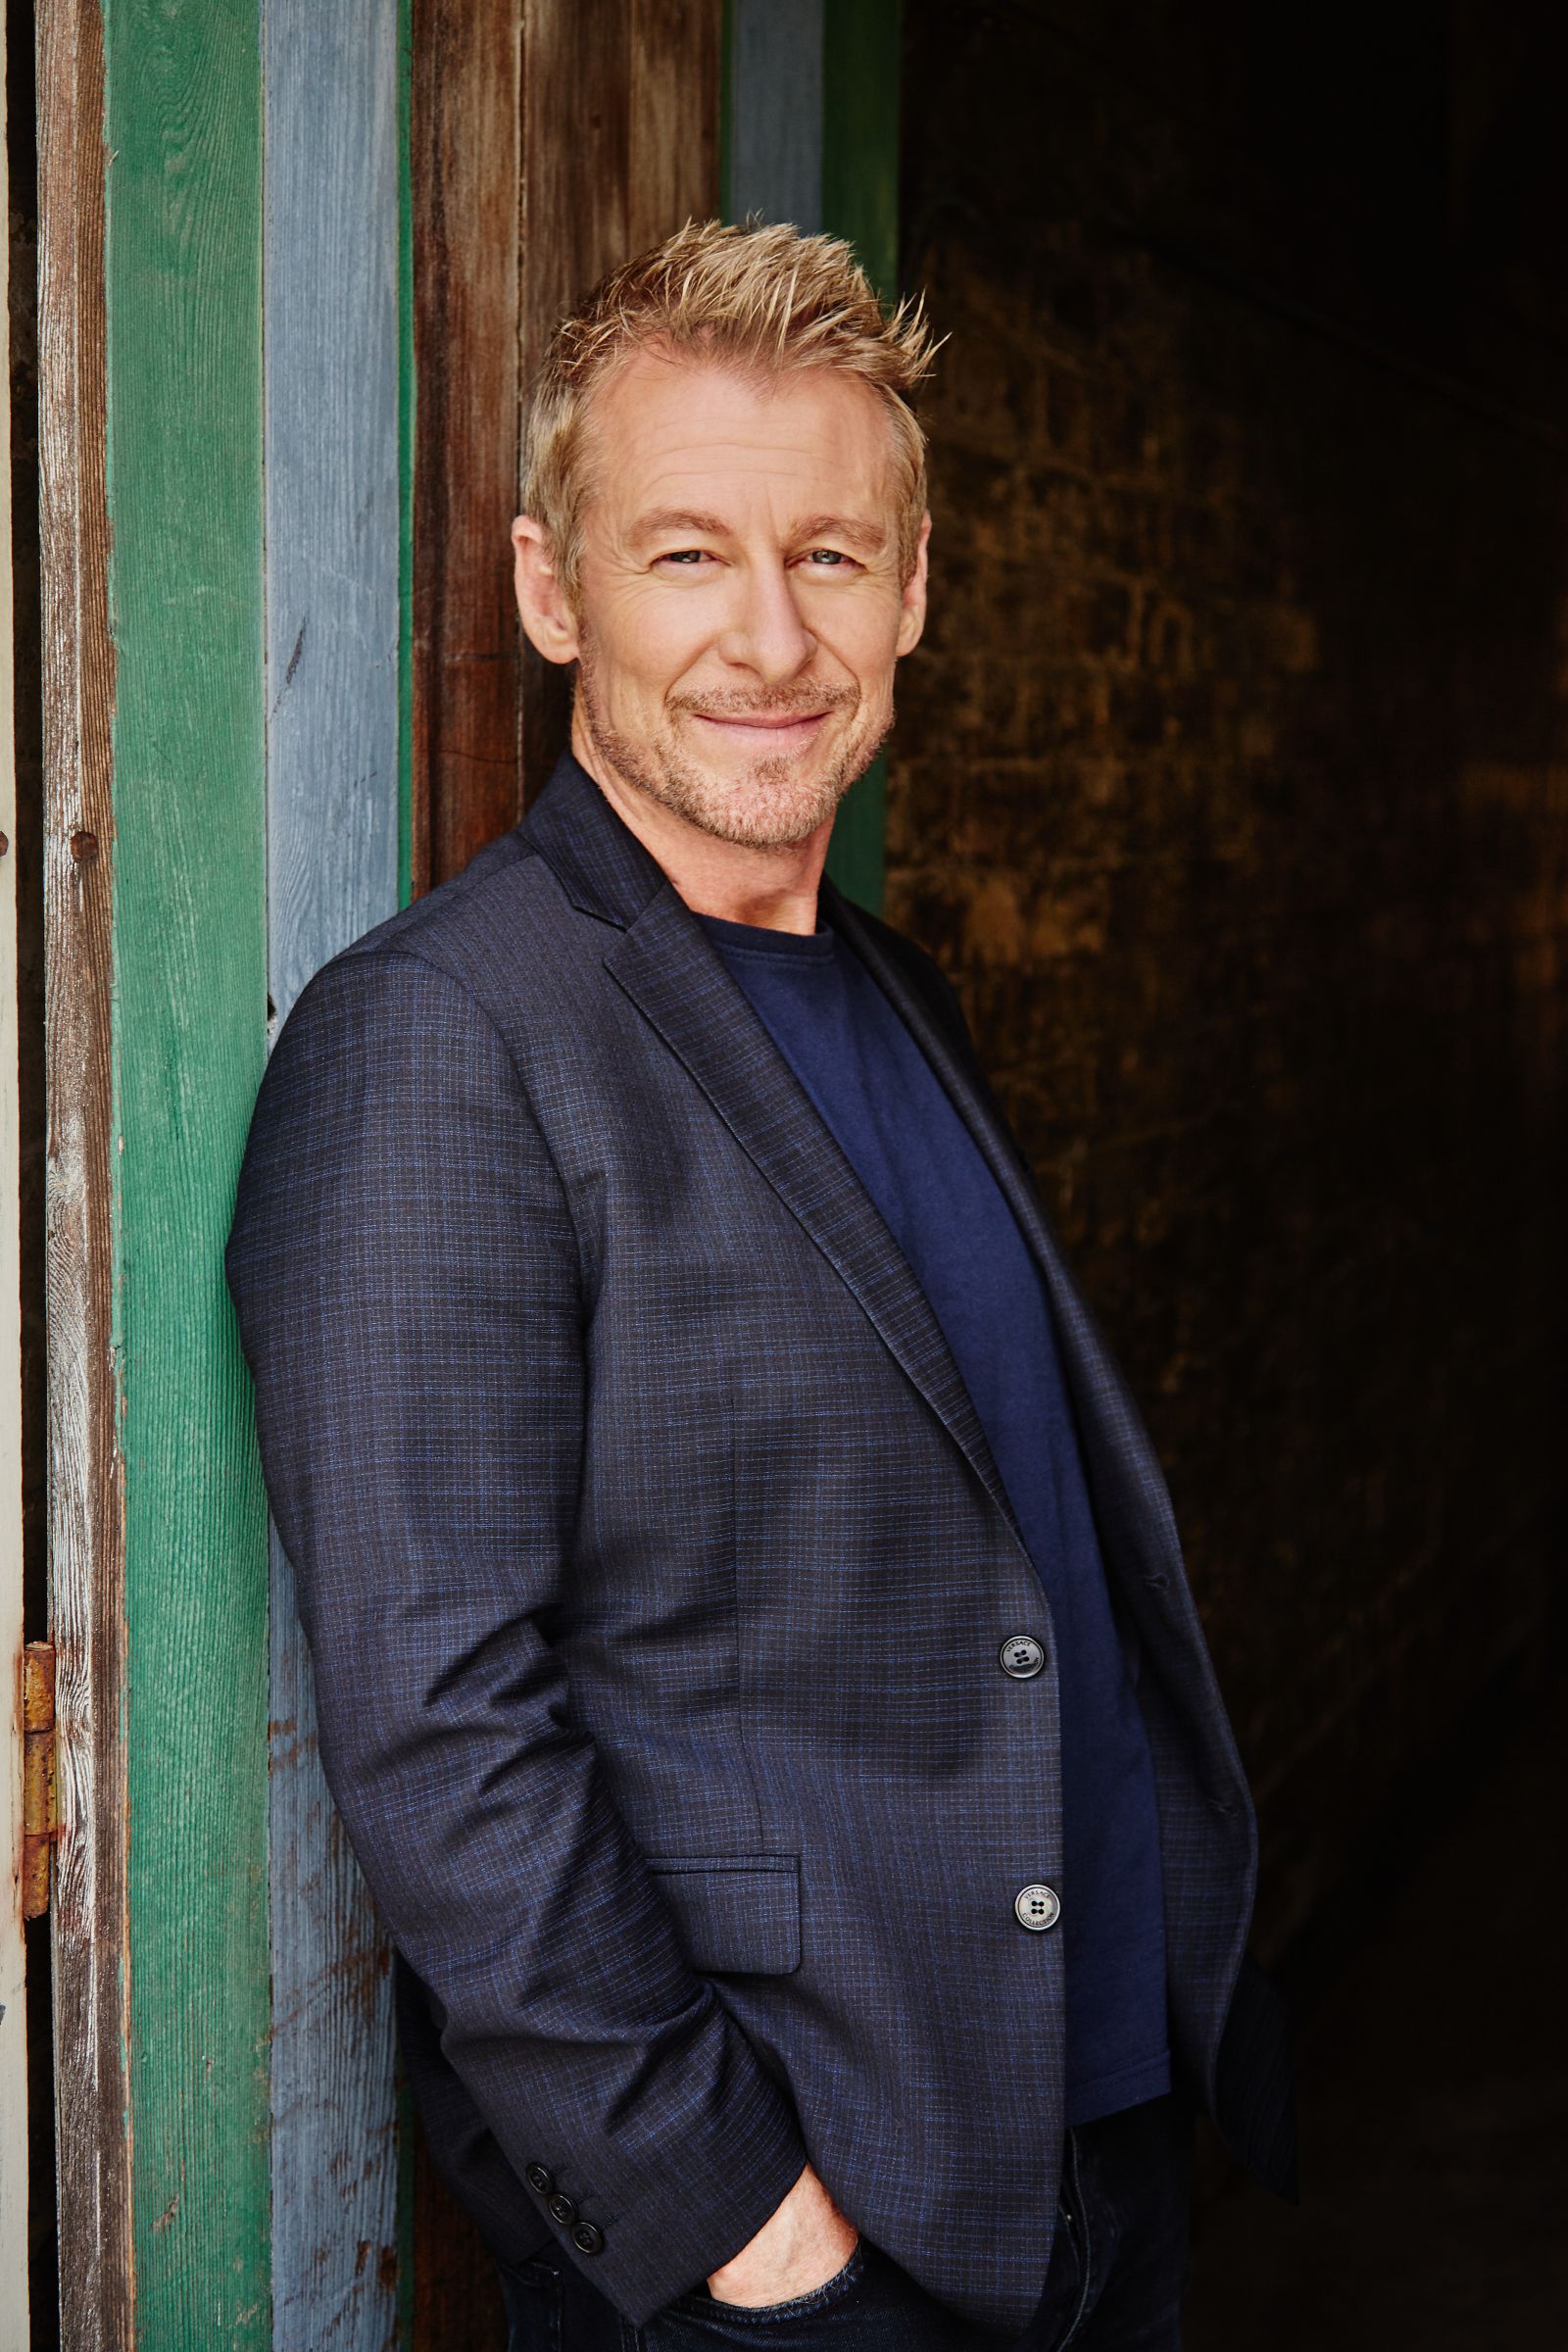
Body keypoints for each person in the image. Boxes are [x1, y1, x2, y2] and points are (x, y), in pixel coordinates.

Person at [226, 220, 1294, 2351]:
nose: (768, 637)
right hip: (802, 2251)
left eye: (827, 556)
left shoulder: (899, 996)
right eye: (686, 555)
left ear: (910, 591)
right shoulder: (443, 1037)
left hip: (1086, 2168)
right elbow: (443, 1729)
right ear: (555, 589)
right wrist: (750, 2230)